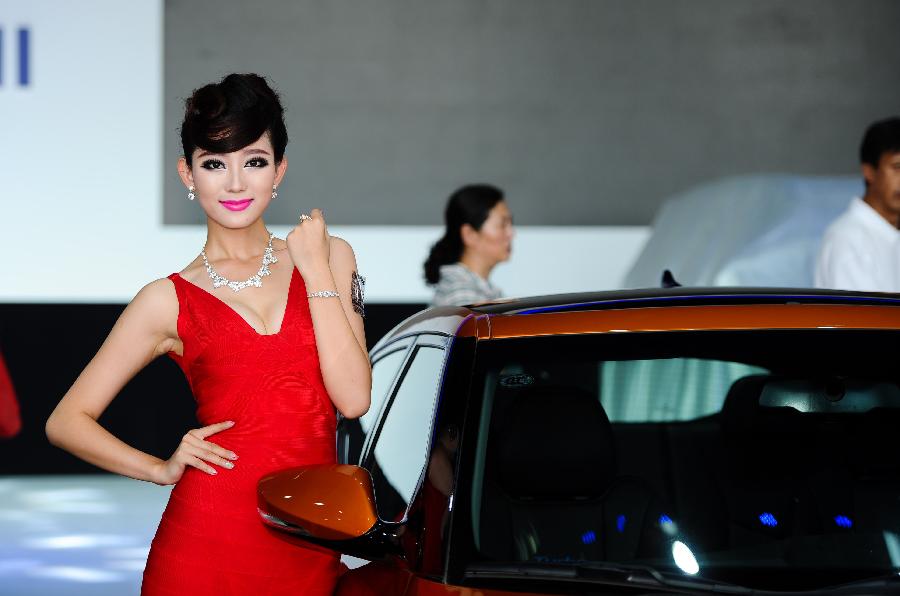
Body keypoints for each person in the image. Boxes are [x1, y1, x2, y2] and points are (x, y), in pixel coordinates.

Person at [45, 73, 371, 595]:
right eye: (215, 163)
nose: (236, 183)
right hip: (204, 547)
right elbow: (66, 421)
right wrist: (159, 468)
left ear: (279, 170)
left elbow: (352, 399)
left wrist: (314, 275)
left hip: (307, 542)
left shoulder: (329, 258)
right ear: (187, 173)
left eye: (254, 161)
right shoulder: (166, 299)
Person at [815, 117, 900, 292]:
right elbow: (864, 319)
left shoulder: (889, 233)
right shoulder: (847, 240)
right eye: (897, 167)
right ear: (869, 171)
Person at [424, 184, 515, 306]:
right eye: (502, 225)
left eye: (511, 223)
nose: (511, 233)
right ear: (470, 234)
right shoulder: (464, 296)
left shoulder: (477, 291)